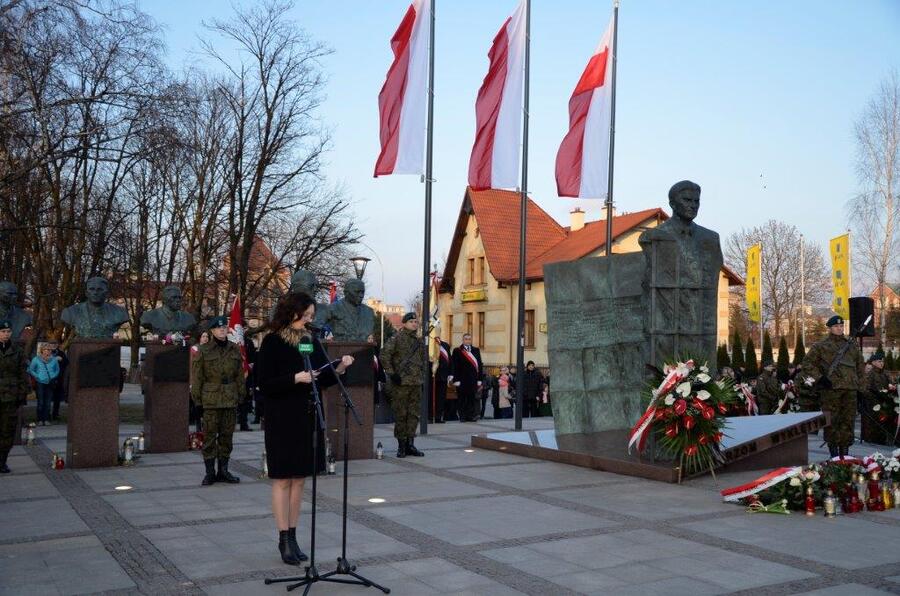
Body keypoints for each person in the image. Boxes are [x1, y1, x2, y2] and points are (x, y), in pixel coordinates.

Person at [256, 292, 354, 565]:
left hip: (306, 416)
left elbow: (321, 378)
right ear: (292, 312)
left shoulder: (311, 341)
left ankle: (295, 535)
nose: (310, 320)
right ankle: (283, 538)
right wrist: (294, 378)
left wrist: (340, 368)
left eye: (312, 316)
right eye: (306, 315)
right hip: (281, 417)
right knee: (282, 479)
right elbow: (264, 384)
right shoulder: (273, 342)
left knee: (299, 479)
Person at [190, 316, 245, 486]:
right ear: (212, 331)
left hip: (229, 398)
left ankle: (224, 470)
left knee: (227, 437)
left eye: (224, 327)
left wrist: (241, 396)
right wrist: (197, 402)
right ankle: (209, 472)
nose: (222, 330)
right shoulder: (204, 350)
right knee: (209, 438)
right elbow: (197, 377)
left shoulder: (234, 349)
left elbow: (239, 376)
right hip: (210, 400)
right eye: (218, 328)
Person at [802, 315, 865, 457]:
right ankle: (834, 455)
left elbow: (860, 367)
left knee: (848, 422)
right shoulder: (821, 345)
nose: (839, 328)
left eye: (841, 326)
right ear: (830, 328)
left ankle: (845, 454)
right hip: (831, 390)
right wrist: (820, 378)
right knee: (832, 421)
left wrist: (861, 389)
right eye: (836, 326)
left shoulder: (851, 345)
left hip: (850, 390)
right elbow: (807, 364)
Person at [381, 312, 425, 457]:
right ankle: (401, 445)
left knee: (413, 415)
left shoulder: (419, 341)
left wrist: (422, 375)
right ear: (404, 323)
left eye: (416, 322)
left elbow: (423, 360)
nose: (414, 324)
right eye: (411, 321)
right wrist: (392, 374)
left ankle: (410, 445)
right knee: (401, 414)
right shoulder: (397, 338)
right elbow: (384, 355)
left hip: (416, 383)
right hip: (401, 383)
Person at [0, 320, 28, 473]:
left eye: (8, 332)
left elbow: (22, 373)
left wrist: (22, 394)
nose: (6, 334)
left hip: (11, 397)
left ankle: (2, 461)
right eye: (3, 332)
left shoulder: (17, 350)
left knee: (8, 430)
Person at [862, 351, 896, 445]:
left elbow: (892, 385)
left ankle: (887, 438)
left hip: (887, 402)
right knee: (874, 425)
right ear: (873, 362)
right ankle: (874, 439)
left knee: (888, 422)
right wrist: (875, 400)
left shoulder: (886, 373)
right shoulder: (870, 374)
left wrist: (893, 388)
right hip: (874, 403)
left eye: (882, 361)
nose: (882, 363)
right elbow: (865, 390)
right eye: (879, 361)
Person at [450, 333, 483, 422]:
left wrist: (480, 379)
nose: (468, 340)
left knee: (471, 399)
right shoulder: (457, 350)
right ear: (463, 340)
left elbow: (479, 365)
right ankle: (462, 416)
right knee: (462, 399)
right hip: (462, 379)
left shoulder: (476, 350)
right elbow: (454, 365)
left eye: (469, 339)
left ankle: (471, 416)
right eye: (466, 339)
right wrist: (456, 379)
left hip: (473, 379)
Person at [28, 344, 60, 426]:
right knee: (41, 402)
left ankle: (46, 419)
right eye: (46, 349)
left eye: (49, 350)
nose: (48, 351)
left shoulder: (54, 360)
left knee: (48, 402)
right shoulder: (36, 359)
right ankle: (39, 419)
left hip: (50, 382)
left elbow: (57, 370)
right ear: (42, 350)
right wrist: (37, 376)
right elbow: (31, 369)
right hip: (40, 382)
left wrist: (53, 376)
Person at [189, 330, 210, 431]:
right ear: (200, 338)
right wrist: (191, 382)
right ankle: (198, 429)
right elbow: (191, 367)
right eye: (203, 336)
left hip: (209, 383)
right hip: (197, 382)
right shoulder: (194, 349)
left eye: (207, 337)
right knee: (198, 406)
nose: (205, 338)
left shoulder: (212, 349)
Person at [46, 341, 68, 421]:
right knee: (47, 398)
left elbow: (66, 363)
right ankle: (46, 415)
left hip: (58, 378)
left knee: (57, 399)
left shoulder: (61, 353)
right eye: (52, 344)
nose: (53, 346)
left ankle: (55, 414)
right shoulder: (45, 352)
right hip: (48, 379)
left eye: (55, 344)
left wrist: (61, 360)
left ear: (57, 345)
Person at [432, 334, 452, 423]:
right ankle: (429, 416)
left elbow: (450, 360)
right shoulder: (430, 345)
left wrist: (451, 373)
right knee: (431, 397)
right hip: (433, 376)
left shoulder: (445, 345)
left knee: (441, 398)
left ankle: (438, 417)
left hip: (443, 376)